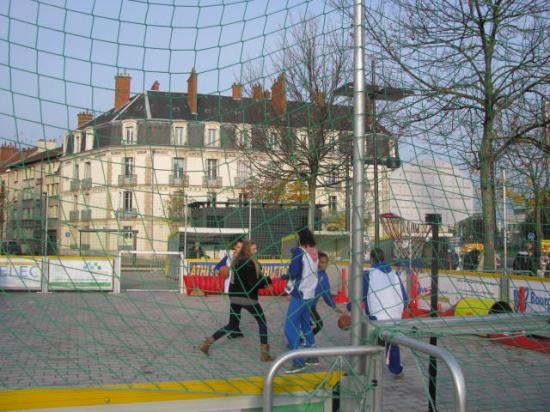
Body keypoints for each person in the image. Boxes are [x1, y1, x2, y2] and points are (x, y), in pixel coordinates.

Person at [198, 240, 274, 361]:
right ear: (248, 250)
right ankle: (264, 353)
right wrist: (268, 281)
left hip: (234, 297)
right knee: (262, 323)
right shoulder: (251, 263)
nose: (256, 251)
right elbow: (253, 283)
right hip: (248, 299)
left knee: (232, 325)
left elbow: (237, 282)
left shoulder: (236, 261)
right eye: (254, 249)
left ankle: (206, 344)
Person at [345, 248, 407, 380]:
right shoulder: (395, 274)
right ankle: (397, 371)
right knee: (392, 342)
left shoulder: (368, 275)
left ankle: (364, 370)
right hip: (396, 315)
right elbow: (405, 298)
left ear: (372, 259)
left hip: (377, 316)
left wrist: (348, 308)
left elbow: (358, 296)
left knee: (366, 340)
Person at [284, 228, 319, 374]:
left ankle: (298, 362)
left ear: (300, 237)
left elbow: (294, 272)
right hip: (311, 294)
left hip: (300, 294)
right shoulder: (314, 252)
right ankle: (313, 357)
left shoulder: (299, 252)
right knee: (305, 325)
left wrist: (284, 277)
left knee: (290, 327)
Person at [214, 238, 244, 338]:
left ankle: (236, 329)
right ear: (235, 247)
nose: (240, 249)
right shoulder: (228, 257)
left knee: (236, 309)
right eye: (238, 247)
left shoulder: (245, 258)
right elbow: (217, 266)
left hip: (241, 287)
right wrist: (220, 271)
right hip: (232, 287)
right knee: (235, 310)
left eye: (242, 247)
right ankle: (235, 330)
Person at [310, 251, 342, 335]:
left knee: (318, 324)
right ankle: (302, 340)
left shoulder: (323, 276)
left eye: (325, 262)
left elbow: (326, 294)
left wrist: (334, 306)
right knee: (309, 324)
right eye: (322, 262)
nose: (324, 264)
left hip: (310, 306)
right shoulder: (311, 273)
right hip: (304, 304)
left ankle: (303, 339)